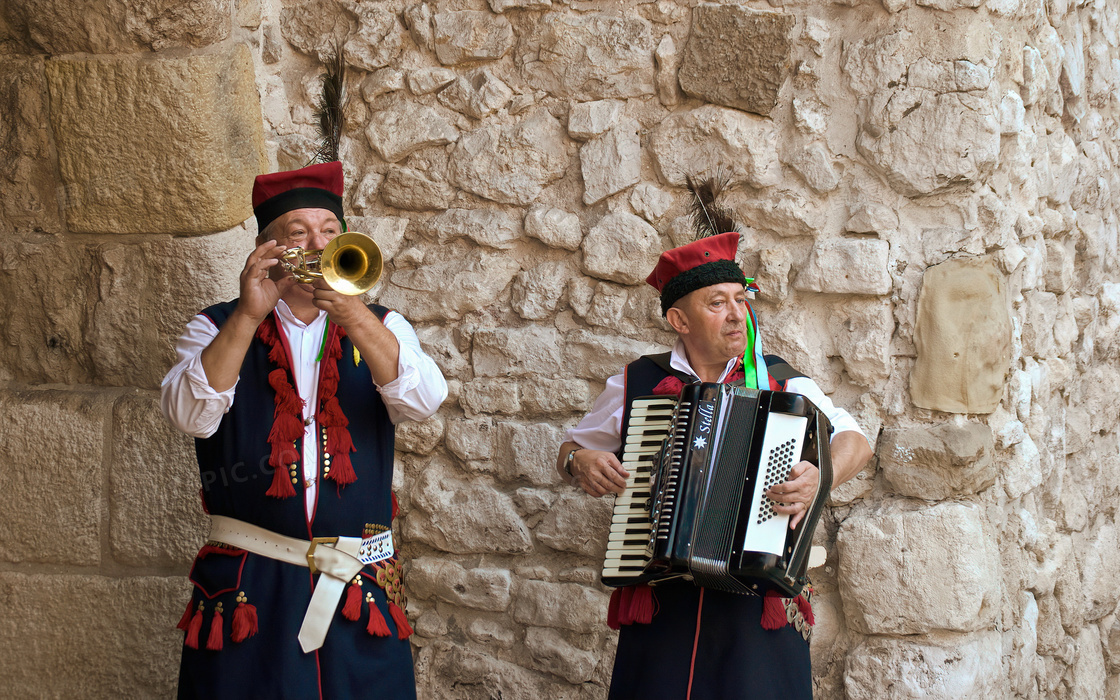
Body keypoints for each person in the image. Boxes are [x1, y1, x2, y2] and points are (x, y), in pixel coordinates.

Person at [161, 161, 447, 699]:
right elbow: (188, 415)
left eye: (330, 232)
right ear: (268, 247)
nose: (318, 243)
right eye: (299, 232)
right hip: (252, 585)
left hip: (358, 588)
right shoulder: (215, 324)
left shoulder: (382, 325)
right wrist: (248, 318)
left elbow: (423, 402)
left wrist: (355, 317)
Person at [556, 230, 873, 700]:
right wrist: (580, 461)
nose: (736, 315)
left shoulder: (780, 380)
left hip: (755, 604)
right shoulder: (637, 382)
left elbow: (856, 440)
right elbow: (570, 450)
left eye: (740, 301)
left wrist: (819, 476)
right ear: (679, 319)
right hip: (663, 601)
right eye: (717, 303)